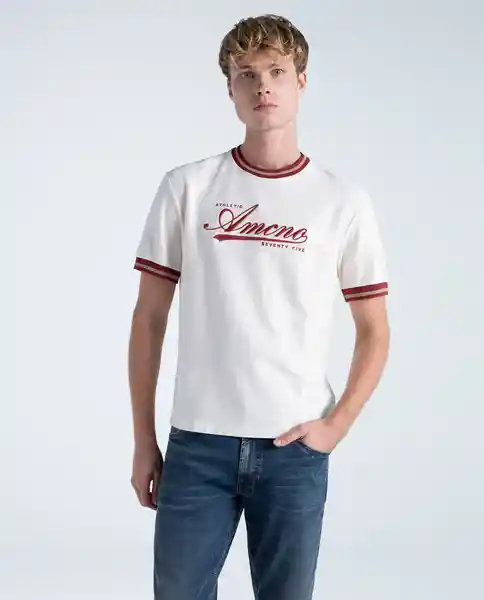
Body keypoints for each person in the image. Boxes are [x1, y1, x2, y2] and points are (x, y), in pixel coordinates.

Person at [128, 13, 390, 600]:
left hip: (294, 448)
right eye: (246, 74)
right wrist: (144, 439)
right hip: (198, 445)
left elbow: (374, 329)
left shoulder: (342, 201)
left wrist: (337, 425)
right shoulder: (187, 187)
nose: (262, 86)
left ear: (302, 81)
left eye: (276, 72)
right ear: (230, 88)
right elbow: (148, 319)